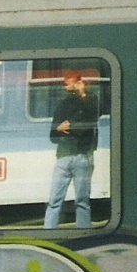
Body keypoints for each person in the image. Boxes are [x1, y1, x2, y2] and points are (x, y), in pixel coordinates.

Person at [44, 71, 101, 229]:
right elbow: (53, 135)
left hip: (82, 155)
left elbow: (89, 123)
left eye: (70, 83)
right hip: (64, 156)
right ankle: (49, 231)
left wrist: (69, 126)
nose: (67, 87)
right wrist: (69, 127)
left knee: (82, 200)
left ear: (79, 83)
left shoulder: (91, 100)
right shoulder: (63, 104)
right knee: (54, 200)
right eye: (66, 84)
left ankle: (83, 231)